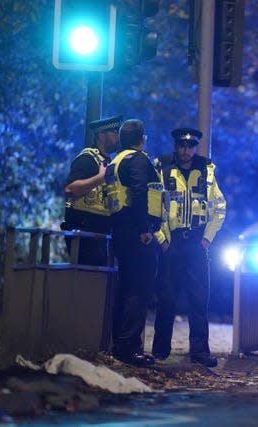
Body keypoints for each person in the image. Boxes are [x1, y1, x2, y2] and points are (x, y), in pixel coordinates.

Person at [151, 128, 227, 367]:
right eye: (181, 146)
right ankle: (160, 351)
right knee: (166, 298)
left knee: (199, 299)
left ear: (195, 147)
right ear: (175, 146)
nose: (185, 151)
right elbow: (153, 206)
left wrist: (207, 239)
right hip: (171, 242)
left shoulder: (206, 171)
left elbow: (219, 208)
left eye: (190, 146)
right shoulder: (162, 168)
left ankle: (200, 352)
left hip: (196, 243)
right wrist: (162, 239)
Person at [105, 118, 165, 367]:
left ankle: (119, 344)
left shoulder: (116, 160)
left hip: (120, 228)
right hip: (136, 231)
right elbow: (141, 192)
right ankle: (129, 348)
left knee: (126, 287)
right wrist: (144, 229)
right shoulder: (138, 159)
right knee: (138, 290)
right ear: (143, 139)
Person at [61, 115, 122, 265]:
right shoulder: (87, 159)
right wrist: (100, 177)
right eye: (114, 132)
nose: (118, 137)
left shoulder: (109, 161)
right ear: (101, 135)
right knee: (87, 282)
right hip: (84, 234)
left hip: (100, 234)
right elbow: (70, 190)